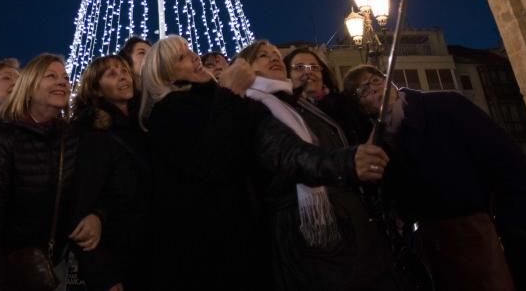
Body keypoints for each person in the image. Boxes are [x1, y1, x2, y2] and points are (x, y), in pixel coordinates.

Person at [138, 35, 387, 291]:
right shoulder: (174, 112)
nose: (193, 56)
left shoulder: (279, 103)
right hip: (225, 245)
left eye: (189, 50)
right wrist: (346, 162)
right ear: (165, 76)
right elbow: (225, 160)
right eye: (181, 57)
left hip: (310, 224)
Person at [344, 64, 526, 291]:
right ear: (359, 106)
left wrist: (517, 223)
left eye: (377, 80)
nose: (373, 88)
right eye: (362, 91)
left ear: (391, 82)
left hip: (499, 230)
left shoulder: (445, 106)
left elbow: (507, 159)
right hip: (444, 247)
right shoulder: (379, 141)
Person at [239, 41, 398, 291]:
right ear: (246, 68)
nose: (273, 57)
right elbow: (292, 155)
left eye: (274, 53)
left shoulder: (290, 105)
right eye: (262, 55)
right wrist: (348, 161)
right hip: (305, 230)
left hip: (338, 217)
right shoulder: (256, 106)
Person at [0, 53, 117, 291]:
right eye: (51, 76)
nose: (62, 82)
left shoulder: (72, 136)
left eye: (65, 77)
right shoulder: (5, 139)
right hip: (13, 268)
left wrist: (97, 215)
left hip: (56, 265)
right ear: (29, 86)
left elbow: (96, 189)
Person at [73, 55, 151, 291]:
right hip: (120, 251)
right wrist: (103, 275)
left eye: (124, 70)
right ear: (96, 90)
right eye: (112, 74)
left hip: (153, 248)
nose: (122, 76)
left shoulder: (145, 124)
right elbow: (84, 204)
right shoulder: (94, 134)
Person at [284, 46, 372, 145]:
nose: (308, 71)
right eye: (299, 67)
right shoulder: (285, 110)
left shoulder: (346, 103)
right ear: (287, 74)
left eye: (314, 67)